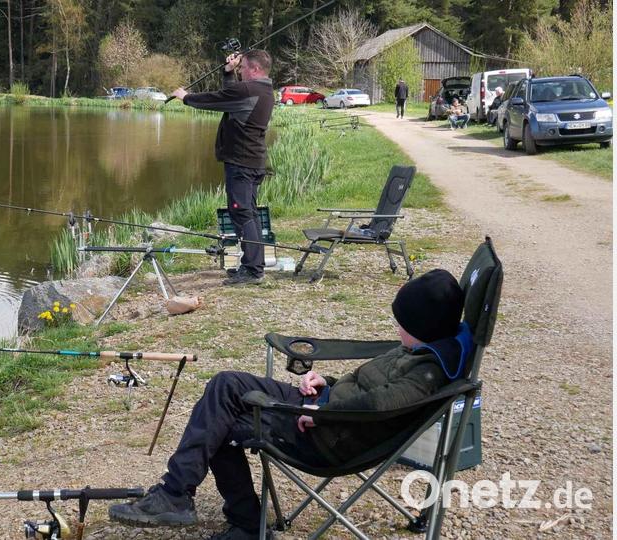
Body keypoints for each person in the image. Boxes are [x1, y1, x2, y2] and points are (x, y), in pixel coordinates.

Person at [109, 269, 468, 540]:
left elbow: (380, 402)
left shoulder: (427, 372)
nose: (397, 328)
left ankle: (197, 503)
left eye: (402, 323)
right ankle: (199, 503)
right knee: (224, 391)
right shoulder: (421, 347)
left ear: (423, 326)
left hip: (327, 436)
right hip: (323, 410)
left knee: (221, 418)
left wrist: (324, 414)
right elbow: (371, 387)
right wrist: (327, 383)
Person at [171, 50, 275, 286]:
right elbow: (232, 96)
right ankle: (253, 265)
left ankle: (252, 270)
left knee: (242, 213)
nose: (241, 71)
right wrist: (228, 72)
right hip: (251, 161)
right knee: (247, 212)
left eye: (243, 68)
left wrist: (186, 97)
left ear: (255, 69)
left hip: (242, 162)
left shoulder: (249, 90)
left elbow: (216, 99)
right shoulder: (264, 90)